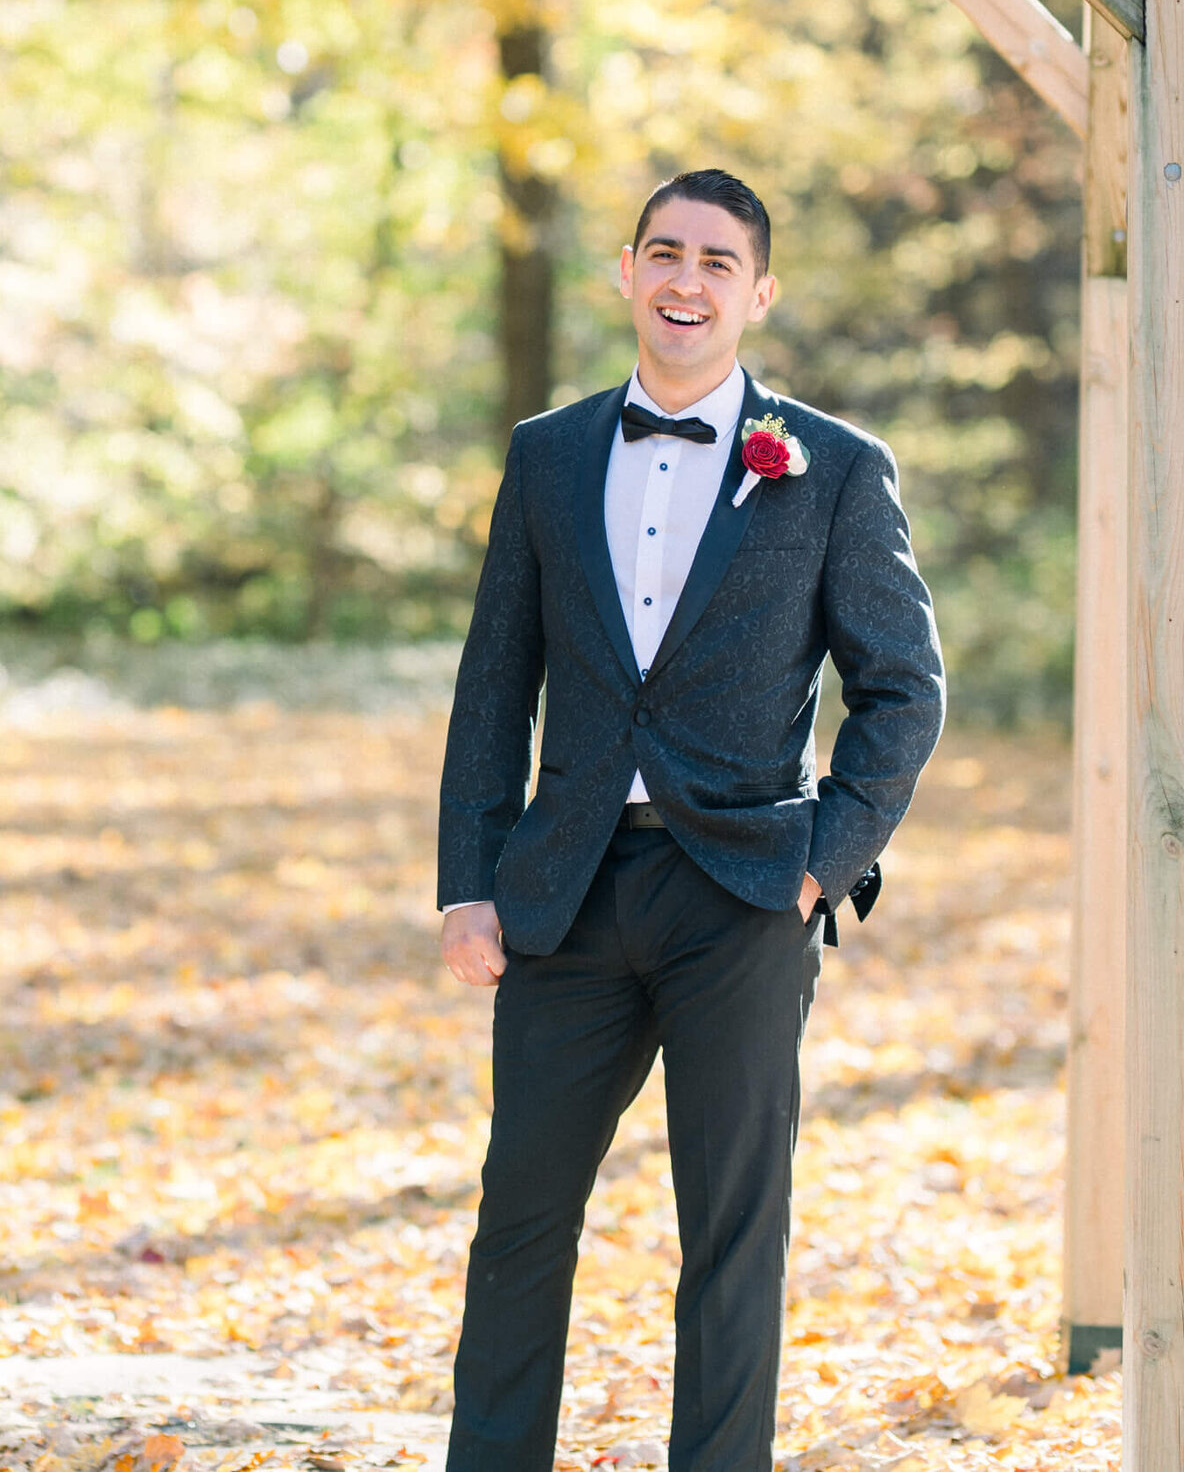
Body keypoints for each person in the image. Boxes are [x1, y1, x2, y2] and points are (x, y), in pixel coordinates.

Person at [437, 167, 945, 1472]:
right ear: (625, 270)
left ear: (758, 294)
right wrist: (469, 881)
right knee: (519, 1226)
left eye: (719, 262)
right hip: (565, 894)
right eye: (665, 253)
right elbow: (497, 678)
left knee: (731, 1237)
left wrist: (823, 866)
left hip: (745, 899)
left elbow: (902, 690)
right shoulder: (546, 456)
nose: (686, 281)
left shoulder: (833, 469)